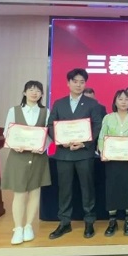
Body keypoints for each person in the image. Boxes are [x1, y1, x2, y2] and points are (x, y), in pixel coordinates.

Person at [48, 66, 103, 240]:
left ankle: (89, 222)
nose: (79, 85)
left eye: (82, 82)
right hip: (63, 154)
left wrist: (84, 143)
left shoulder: (92, 104)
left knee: (87, 188)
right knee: (64, 190)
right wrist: (61, 141)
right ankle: (64, 222)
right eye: (75, 81)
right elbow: (50, 125)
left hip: (84, 153)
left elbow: (97, 125)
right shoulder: (59, 103)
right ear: (68, 83)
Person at [2, 79, 50, 245]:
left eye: (38, 90)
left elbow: (49, 134)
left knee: (35, 192)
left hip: (38, 156)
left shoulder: (45, 111)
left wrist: (42, 147)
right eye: (31, 90)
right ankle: (18, 228)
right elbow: (7, 132)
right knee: (20, 193)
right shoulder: (14, 110)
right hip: (18, 156)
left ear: (42, 94)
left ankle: (29, 225)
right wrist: (16, 144)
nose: (34, 93)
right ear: (24, 92)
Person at [97, 88, 128, 237]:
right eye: (120, 99)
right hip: (112, 161)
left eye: (126, 99)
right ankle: (112, 221)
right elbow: (102, 137)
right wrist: (104, 152)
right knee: (112, 189)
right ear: (115, 102)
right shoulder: (108, 118)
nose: (123, 102)